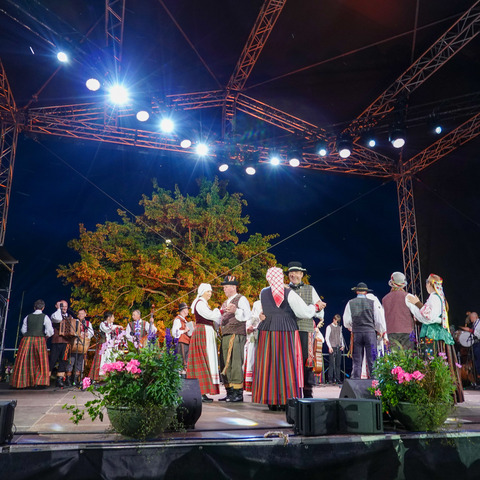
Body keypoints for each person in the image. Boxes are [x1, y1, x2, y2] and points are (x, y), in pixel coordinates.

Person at [253, 267, 324, 409]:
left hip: (267, 332)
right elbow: (304, 312)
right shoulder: (289, 293)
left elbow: (265, 308)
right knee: (286, 365)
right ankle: (286, 399)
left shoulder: (263, 292)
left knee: (270, 364)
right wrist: (315, 307)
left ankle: (271, 400)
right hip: (286, 332)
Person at [406, 273, 464, 402]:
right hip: (435, 333)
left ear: (429, 284)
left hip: (433, 334)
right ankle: (441, 394)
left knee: (431, 362)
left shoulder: (434, 298)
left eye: (427, 283)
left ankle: (435, 394)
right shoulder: (438, 298)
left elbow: (429, 316)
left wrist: (417, 303)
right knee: (437, 362)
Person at [287, 261, 326, 398]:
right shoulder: (285, 289)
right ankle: (291, 392)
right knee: (290, 360)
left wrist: (318, 308)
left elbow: (320, 312)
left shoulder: (310, 289)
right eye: (291, 272)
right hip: (289, 329)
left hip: (305, 328)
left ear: (302, 274)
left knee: (306, 360)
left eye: (296, 272)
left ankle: (308, 392)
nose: (293, 275)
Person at [186, 283, 222, 403]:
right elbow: (210, 316)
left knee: (206, 359)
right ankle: (201, 391)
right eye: (208, 291)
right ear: (202, 292)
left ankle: (203, 391)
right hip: (202, 332)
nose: (210, 294)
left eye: (211, 291)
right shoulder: (200, 303)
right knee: (202, 359)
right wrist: (218, 311)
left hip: (205, 331)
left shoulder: (203, 303)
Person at [343, 282, 386, 379]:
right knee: (372, 359)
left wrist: (352, 327)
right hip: (370, 332)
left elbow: (346, 321)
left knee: (357, 360)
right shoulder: (372, 303)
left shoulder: (350, 303)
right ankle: (374, 382)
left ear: (357, 292)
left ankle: (356, 382)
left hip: (357, 333)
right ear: (366, 292)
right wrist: (380, 330)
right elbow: (378, 320)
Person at [218, 276, 251, 403]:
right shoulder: (225, 302)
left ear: (233, 287)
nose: (224, 289)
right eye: (224, 287)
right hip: (226, 334)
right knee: (225, 363)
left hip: (236, 334)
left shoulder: (241, 299)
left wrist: (236, 310)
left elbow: (247, 315)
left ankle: (238, 392)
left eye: (226, 287)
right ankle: (230, 391)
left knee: (235, 362)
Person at [10, 299, 54, 389]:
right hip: (39, 339)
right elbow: (50, 331)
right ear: (43, 307)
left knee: (25, 360)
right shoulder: (45, 317)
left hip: (27, 339)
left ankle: (22, 383)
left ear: (34, 307)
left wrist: (29, 335)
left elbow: (23, 330)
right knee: (40, 361)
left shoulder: (28, 317)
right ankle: (40, 383)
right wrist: (46, 336)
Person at [382, 271, 416, 350]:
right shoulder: (408, 296)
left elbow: (383, 317)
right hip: (406, 331)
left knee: (395, 356)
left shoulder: (385, 299)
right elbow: (416, 313)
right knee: (408, 355)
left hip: (391, 331)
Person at [50, 300, 75, 388]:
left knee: (64, 361)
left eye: (65, 306)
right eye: (62, 306)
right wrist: (58, 309)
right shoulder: (54, 315)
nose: (64, 308)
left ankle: (59, 380)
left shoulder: (70, 316)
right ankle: (46, 379)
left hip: (66, 341)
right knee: (52, 360)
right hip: (56, 341)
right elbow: (58, 319)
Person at [67, 308, 94, 387]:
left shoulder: (88, 323)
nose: (80, 315)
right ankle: (68, 380)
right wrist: (78, 334)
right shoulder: (75, 322)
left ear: (85, 315)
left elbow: (91, 333)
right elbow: (71, 331)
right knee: (71, 362)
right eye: (79, 314)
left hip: (82, 345)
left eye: (82, 314)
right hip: (74, 345)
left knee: (79, 363)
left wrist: (87, 334)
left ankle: (76, 380)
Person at [244, 299, 264, 393]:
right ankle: (253, 385)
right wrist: (249, 326)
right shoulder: (256, 303)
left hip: (263, 335)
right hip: (254, 338)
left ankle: (261, 385)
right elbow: (251, 318)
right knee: (252, 359)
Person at [171, 302, 193, 370]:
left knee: (186, 362)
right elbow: (174, 333)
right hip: (181, 343)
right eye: (187, 309)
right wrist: (184, 330)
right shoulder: (178, 320)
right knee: (182, 363)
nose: (188, 311)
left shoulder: (184, 320)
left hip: (186, 342)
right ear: (183, 310)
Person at [325, 314, 345, 384]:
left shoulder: (339, 328)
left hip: (338, 347)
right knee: (331, 364)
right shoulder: (329, 327)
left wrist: (342, 345)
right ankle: (330, 378)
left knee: (338, 364)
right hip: (332, 347)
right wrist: (329, 347)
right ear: (334, 320)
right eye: (337, 321)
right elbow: (327, 338)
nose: (338, 322)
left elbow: (341, 337)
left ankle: (338, 378)